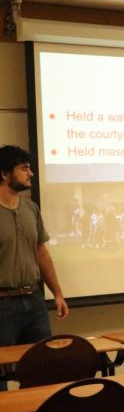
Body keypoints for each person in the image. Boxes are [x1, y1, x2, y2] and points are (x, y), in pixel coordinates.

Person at [0, 145, 67, 347]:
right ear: (4, 174)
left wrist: (57, 293)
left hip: (34, 300)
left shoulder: (31, 209)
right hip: (3, 305)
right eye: (24, 168)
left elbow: (41, 253)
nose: (31, 173)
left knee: (42, 366)